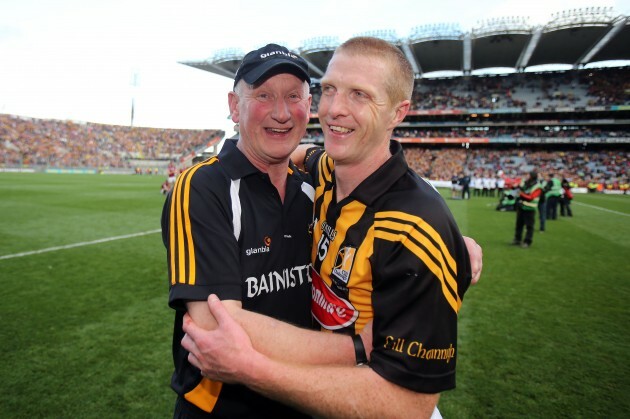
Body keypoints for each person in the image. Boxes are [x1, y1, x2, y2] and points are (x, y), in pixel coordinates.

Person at [182, 37, 476, 418]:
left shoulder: (417, 227)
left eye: (360, 95)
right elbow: (296, 153)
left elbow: (409, 407)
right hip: (316, 394)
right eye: (330, 90)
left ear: (398, 112)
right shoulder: (322, 173)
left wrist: (254, 370)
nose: (335, 109)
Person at [512, 170, 542, 248]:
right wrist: (516, 187)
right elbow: (519, 188)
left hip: (530, 208)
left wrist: (520, 193)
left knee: (529, 226)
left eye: (528, 175)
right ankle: (517, 239)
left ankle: (527, 241)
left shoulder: (537, 186)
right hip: (521, 206)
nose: (526, 176)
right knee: (519, 224)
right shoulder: (526, 183)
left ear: (532, 176)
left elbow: (531, 197)